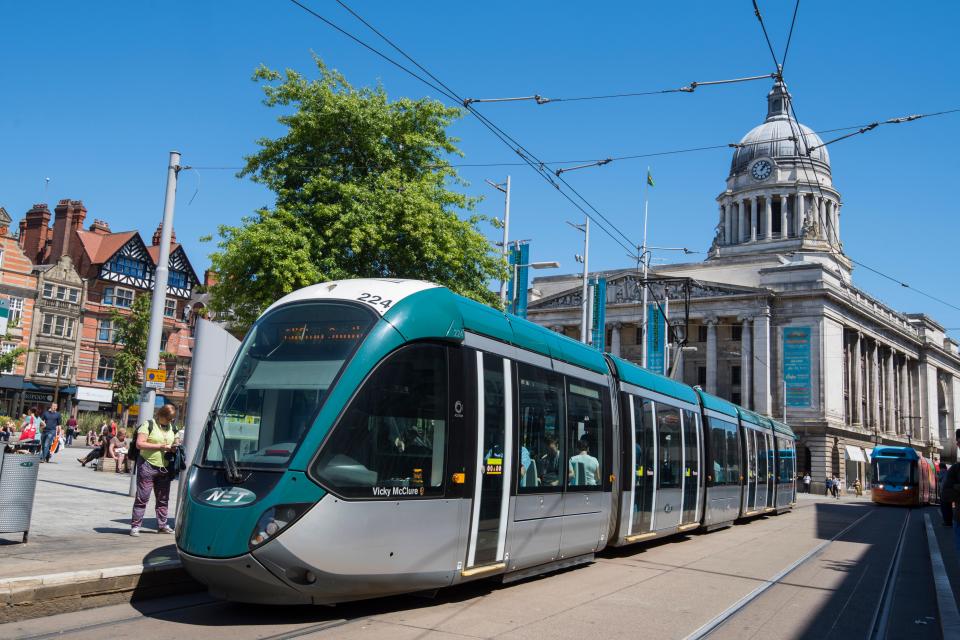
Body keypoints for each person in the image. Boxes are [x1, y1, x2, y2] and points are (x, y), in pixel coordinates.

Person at [130, 405, 179, 536]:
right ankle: (135, 526)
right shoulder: (148, 424)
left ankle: (162, 525)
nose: (170, 422)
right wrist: (160, 447)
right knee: (142, 497)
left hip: (164, 467)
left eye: (172, 419)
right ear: (161, 415)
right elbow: (139, 444)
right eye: (168, 419)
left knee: (163, 498)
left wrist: (175, 446)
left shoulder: (172, 427)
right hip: (147, 465)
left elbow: (177, 439)